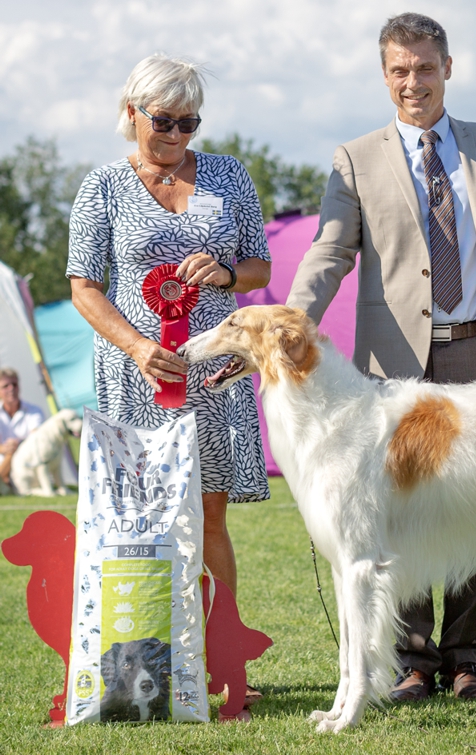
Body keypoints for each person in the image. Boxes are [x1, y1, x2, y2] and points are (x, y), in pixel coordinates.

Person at [286, 13, 476, 702]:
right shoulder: (354, 158)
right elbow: (328, 252)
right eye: (400, 70)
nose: (414, 82)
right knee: (398, 516)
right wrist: (294, 320)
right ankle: (414, 661)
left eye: (426, 68)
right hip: (393, 369)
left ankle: (467, 658)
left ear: (448, 68)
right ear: (385, 76)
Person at [68, 54, 271, 621]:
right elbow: (83, 285)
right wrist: (137, 347)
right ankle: (148, 655)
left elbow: (261, 266)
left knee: (209, 516)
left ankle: (224, 659)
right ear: (131, 113)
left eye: (190, 123)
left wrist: (228, 274)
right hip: (138, 374)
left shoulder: (229, 175)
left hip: (210, 374)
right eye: (164, 121)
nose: (177, 134)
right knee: (143, 516)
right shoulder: (102, 186)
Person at [0, 368, 45, 492]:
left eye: (14, 384)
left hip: (26, 457)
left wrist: (15, 446)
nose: (11, 389)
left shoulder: (34, 411)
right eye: (5, 386)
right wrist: (5, 448)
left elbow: (36, 438)